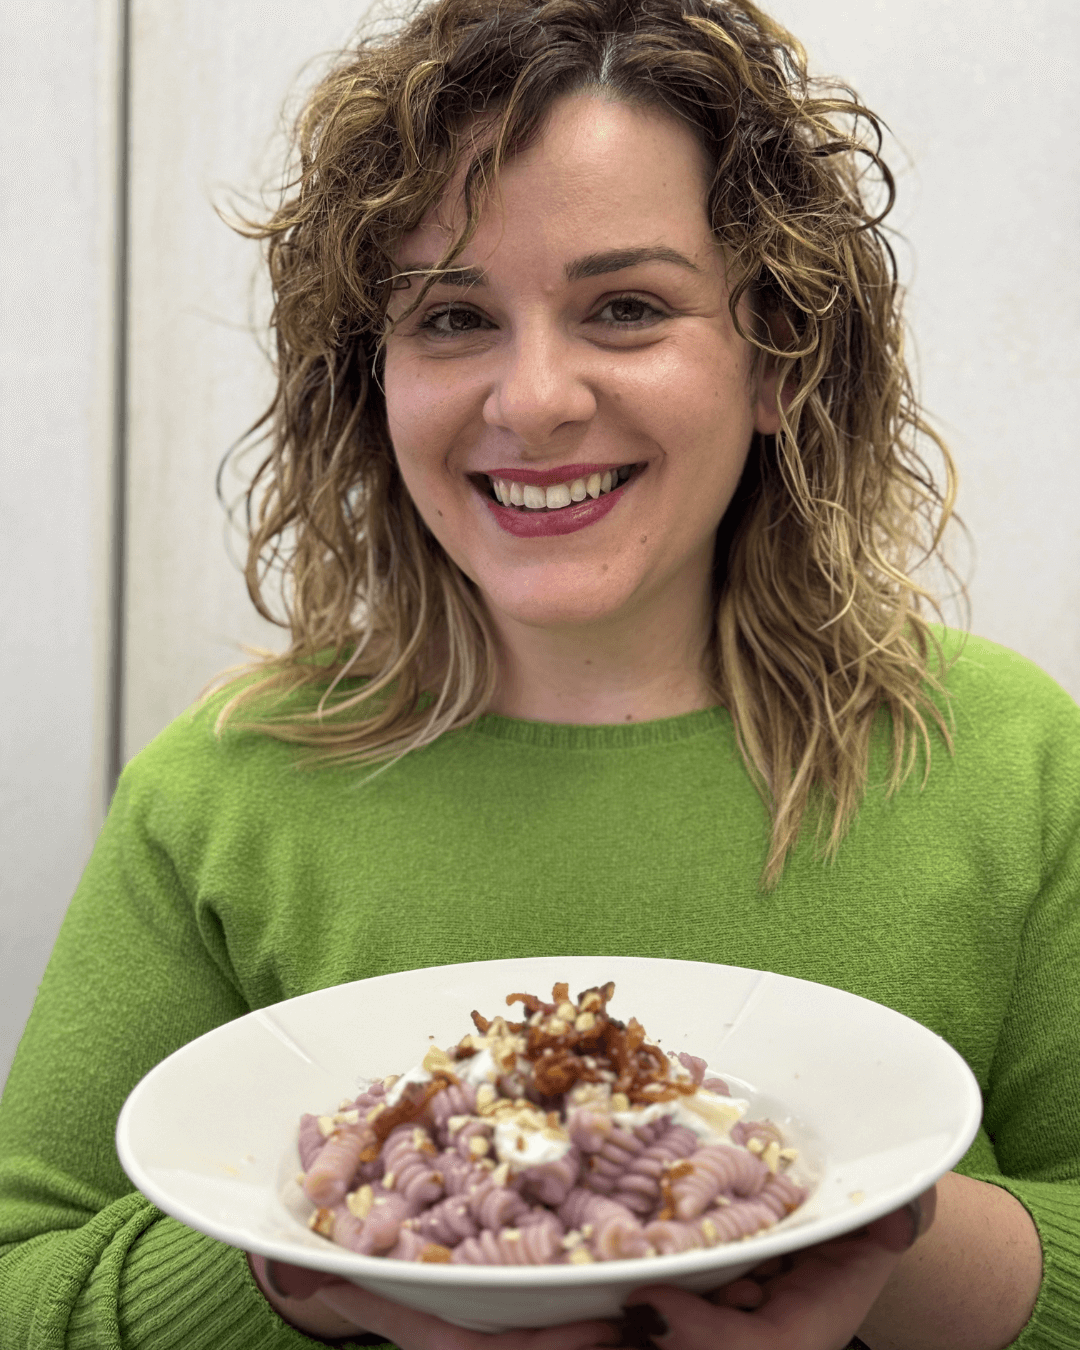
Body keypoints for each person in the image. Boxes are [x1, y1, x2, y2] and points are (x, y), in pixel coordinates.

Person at [1, 0, 1076, 1345]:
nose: (535, 399)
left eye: (625, 307)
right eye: (453, 317)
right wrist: (324, 1260)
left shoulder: (1007, 758)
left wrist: (883, 1247)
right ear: (373, 376)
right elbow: (22, 1280)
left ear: (777, 356)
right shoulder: (220, 798)